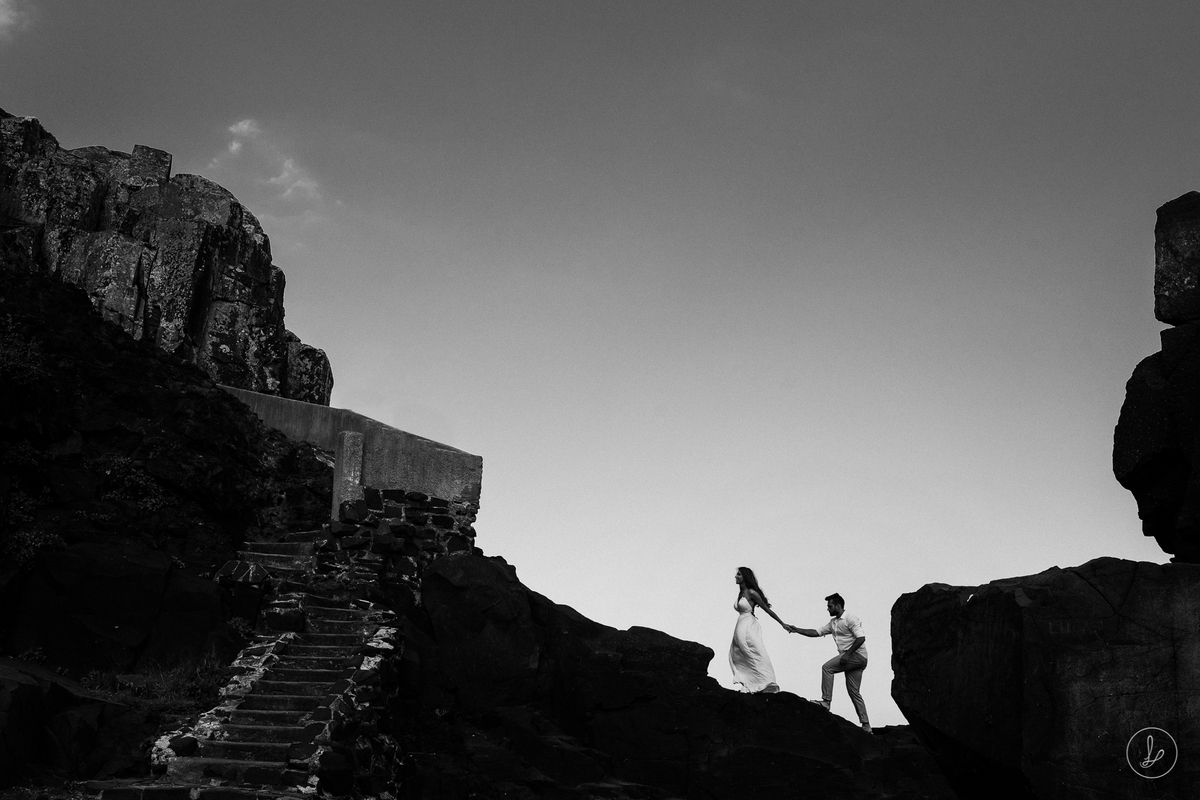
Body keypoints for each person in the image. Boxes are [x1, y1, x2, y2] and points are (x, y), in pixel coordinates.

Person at [787, 593, 871, 732]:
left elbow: (861, 638)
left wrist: (848, 654)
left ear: (838, 606)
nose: (828, 609)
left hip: (856, 656)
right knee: (854, 692)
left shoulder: (850, 618)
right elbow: (816, 632)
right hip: (851, 658)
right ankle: (866, 725)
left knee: (827, 668)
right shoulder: (833, 623)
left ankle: (826, 702)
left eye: (830, 606)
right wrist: (797, 630)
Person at [729, 567, 789, 693]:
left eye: (738, 574)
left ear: (745, 576)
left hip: (748, 626)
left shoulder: (751, 593)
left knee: (754, 651)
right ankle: (751, 683)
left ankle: (767, 682)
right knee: (738, 653)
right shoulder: (741, 592)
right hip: (740, 624)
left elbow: (767, 610)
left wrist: (782, 624)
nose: (736, 576)